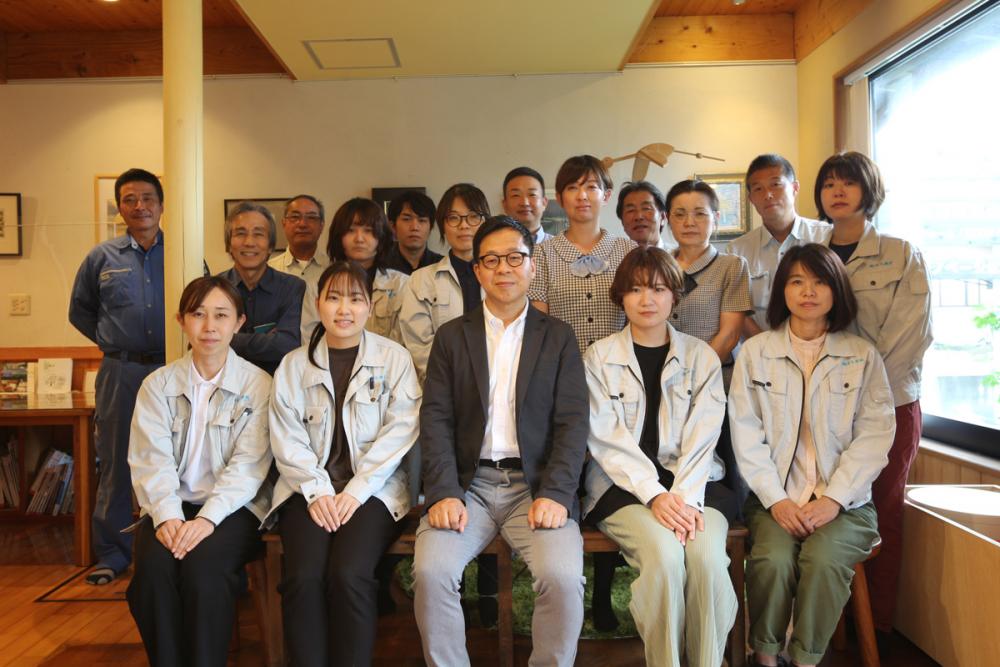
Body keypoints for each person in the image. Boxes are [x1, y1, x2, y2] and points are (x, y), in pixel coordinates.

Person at [412, 216, 589, 667]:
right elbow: (435, 419)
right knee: (431, 573)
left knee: (562, 578)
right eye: (491, 260)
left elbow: (572, 423)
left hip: (535, 486)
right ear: (477, 270)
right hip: (467, 486)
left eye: (515, 257)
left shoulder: (558, 336)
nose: (504, 268)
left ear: (532, 266)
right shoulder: (452, 336)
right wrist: (444, 492)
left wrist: (556, 493)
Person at [729, 243, 895, 667]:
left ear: (837, 290)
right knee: (771, 559)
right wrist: (777, 500)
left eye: (820, 281)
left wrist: (833, 499)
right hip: (774, 500)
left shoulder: (861, 355)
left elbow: (875, 436)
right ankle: (765, 657)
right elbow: (745, 435)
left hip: (847, 504)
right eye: (797, 281)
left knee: (823, 560)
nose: (808, 291)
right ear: (782, 290)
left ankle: (805, 659)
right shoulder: (755, 353)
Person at [584, 246, 737, 667]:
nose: (646, 299)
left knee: (707, 561)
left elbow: (704, 437)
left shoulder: (701, 357)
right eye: (635, 289)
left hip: (697, 486)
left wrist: (681, 499)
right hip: (622, 489)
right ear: (621, 297)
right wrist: (654, 494)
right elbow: (606, 438)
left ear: (674, 295)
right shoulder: (599, 357)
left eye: (657, 289)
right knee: (666, 558)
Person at [268, 261, 421, 667]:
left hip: (374, 492)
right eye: (333, 298)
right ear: (318, 303)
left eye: (355, 299)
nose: (344, 309)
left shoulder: (394, 359)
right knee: (303, 577)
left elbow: (401, 431)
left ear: (369, 305)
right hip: (306, 492)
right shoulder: (293, 365)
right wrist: (318, 491)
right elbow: (287, 439)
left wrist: (355, 491)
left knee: (349, 574)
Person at [126, 276, 273, 667]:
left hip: (234, 509)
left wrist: (207, 520)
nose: (209, 326)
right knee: (151, 577)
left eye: (221, 315)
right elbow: (150, 459)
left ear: (239, 322)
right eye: (198, 314)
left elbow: (249, 467)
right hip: (171, 507)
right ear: (181, 321)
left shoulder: (259, 386)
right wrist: (168, 517)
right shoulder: (157, 385)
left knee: (204, 572)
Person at [815, 151, 932, 635]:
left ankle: (875, 627)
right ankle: (831, 624)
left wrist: (861, 390)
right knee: (825, 505)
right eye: (829, 184)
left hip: (888, 405)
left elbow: (910, 336)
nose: (838, 191)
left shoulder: (901, 254)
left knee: (882, 509)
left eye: (849, 182)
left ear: (869, 191)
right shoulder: (809, 253)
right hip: (820, 406)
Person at [69, 167, 166, 585]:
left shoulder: (184, 251)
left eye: (147, 198)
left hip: (172, 368)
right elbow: (80, 311)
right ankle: (113, 554)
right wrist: (116, 343)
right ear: (120, 208)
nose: (140, 206)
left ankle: (173, 549)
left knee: (177, 458)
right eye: (130, 199)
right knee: (115, 460)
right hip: (120, 371)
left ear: (161, 205)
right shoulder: (101, 257)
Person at [528, 154, 636, 354]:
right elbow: (540, 326)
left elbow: (637, 319)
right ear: (559, 198)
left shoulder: (628, 251)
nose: (582, 196)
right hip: (563, 365)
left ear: (606, 196)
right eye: (572, 188)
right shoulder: (542, 254)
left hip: (619, 364)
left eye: (591, 187)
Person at [727, 154, 830, 338]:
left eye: (776, 184)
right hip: (760, 349)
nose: (768, 195)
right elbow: (739, 311)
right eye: (758, 189)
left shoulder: (826, 237)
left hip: (821, 346)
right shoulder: (737, 250)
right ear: (751, 199)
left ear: (795, 188)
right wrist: (768, 347)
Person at [665, 179, 751, 388]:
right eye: (679, 214)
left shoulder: (732, 266)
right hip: (664, 380)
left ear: (716, 219)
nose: (689, 222)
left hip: (713, 381)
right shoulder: (659, 266)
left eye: (700, 213)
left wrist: (693, 378)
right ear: (668, 219)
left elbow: (730, 334)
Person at [399, 183, 491, 380]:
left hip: (496, 384)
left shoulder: (500, 275)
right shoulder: (421, 280)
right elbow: (419, 347)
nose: (464, 225)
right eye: (454, 218)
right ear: (442, 225)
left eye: (473, 216)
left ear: (485, 222)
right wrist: (458, 380)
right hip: (444, 385)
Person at [218, 201, 305, 375]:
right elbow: (200, 343)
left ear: (270, 245)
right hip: (224, 384)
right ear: (229, 244)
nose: (249, 242)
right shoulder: (214, 288)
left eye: (258, 234)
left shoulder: (292, 287)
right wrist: (268, 340)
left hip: (276, 385)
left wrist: (227, 339)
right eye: (240, 233)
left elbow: (287, 345)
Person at [325, 197, 409, 344]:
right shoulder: (322, 283)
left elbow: (405, 341)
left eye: (368, 231)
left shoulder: (402, 284)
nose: (359, 239)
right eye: (351, 230)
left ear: (381, 236)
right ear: (338, 236)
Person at [268, 194, 328, 344]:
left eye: (311, 217)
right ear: (284, 223)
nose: (302, 224)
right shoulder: (268, 271)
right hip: (279, 355)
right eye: (295, 217)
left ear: (322, 225)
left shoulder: (335, 271)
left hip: (325, 354)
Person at [385, 190, 443, 275]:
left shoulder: (442, 266)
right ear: (393, 226)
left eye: (422, 220)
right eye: (406, 219)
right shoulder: (381, 267)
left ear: (431, 227)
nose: (414, 227)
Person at [501, 166, 551, 246]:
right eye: (516, 195)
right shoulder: (492, 246)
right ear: (505, 205)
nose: (525, 203)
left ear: (544, 203)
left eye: (532, 194)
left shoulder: (560, 248)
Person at [617, 180, 672, 249]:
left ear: (663, 217)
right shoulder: (615, 255)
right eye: (631, 210)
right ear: (622, 222)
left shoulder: (678, 254)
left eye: (646, 208)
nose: (638, 216)